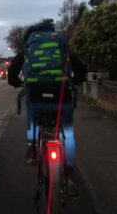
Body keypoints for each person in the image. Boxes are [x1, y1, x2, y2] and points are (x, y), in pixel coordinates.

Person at [8, 19, 87, 196]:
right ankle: (69, 175)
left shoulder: (29, 45)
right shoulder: (61, 43)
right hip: (61, 96)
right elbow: (81, 69)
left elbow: (12, 73)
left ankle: (31, 147)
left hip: (36, 95)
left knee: (33, 118)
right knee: (67, 132)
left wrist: (17, 82)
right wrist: (74, 81)